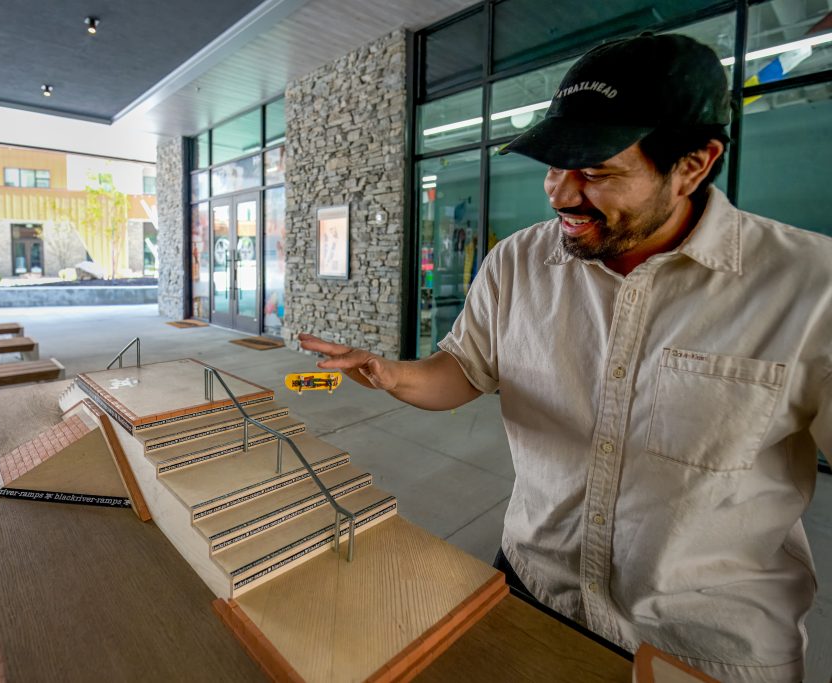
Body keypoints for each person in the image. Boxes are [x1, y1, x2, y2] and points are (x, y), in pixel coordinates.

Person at [300, 33, 830, 683]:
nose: (560, 194)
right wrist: (391, 373)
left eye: (596, 172)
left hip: (704, 647)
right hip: (533, 586)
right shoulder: (518, 262)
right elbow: (464, 368)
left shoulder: (811, 288)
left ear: (693, 165)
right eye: (554, 166)